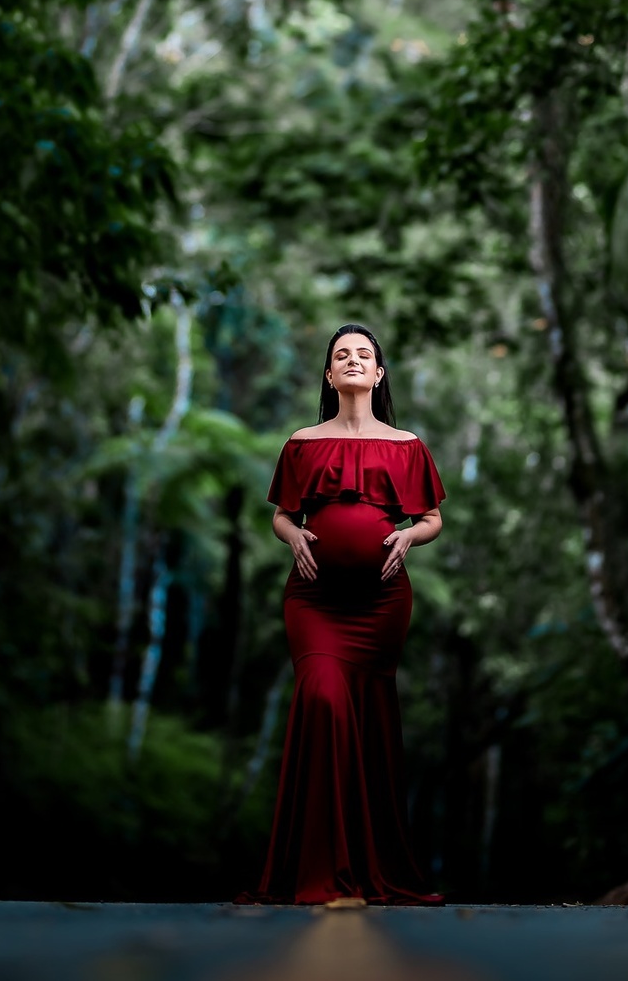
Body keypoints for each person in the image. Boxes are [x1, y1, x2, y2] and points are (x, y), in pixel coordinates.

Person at [241, 323, 446, 905]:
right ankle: (318, 868)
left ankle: (367, 866)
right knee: (324, 699)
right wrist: (293, 536)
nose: (353, 361)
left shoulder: (407, 445)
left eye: (364, 354)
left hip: (381, 605)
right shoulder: (302, 442)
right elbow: (282, 513)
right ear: (329, 376)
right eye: (341, 355)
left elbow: (431, 517)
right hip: (315, 602)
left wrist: (408, 538)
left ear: (379, 374)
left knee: (370, 720)